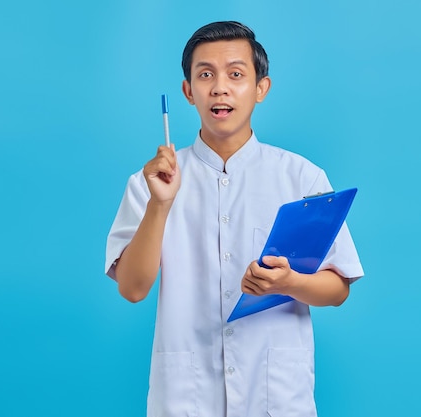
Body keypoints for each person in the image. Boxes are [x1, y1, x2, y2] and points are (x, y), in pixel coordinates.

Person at [105, 21, 364, 417]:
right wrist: (160, 204)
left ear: (261, 88)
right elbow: (132, 288)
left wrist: (289, 282)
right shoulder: (151, 181)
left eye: (236, 74)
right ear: (188, 91)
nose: (220, 87)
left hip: (276, 397)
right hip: (185, 399)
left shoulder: (301, 178)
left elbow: (338, 288)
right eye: (205, 74)